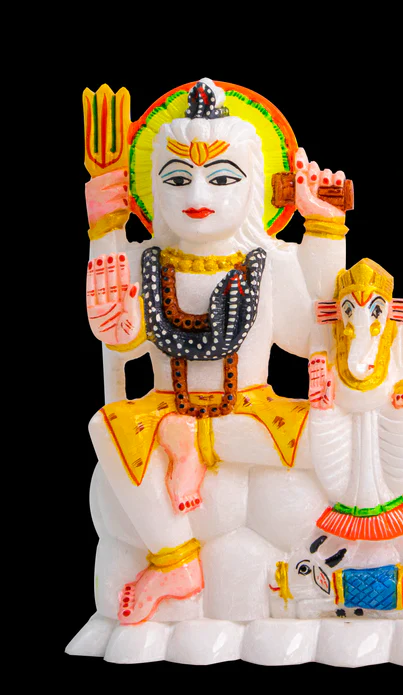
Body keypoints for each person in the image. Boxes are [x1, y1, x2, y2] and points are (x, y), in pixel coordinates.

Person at [84, 78, 349, 624]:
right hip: (163, 407)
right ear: (155, 190)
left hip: (250, 411)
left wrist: (325, 228)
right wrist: (104, 231)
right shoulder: (148, 263)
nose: (197, 198)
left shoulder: (267, 264)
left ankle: (189, 443)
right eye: (177, 179)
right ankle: (175, 561)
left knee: (333, 439)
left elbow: (315, 336)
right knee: (104, 426)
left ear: (253, 187)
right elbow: (120, 334)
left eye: (222, 178)